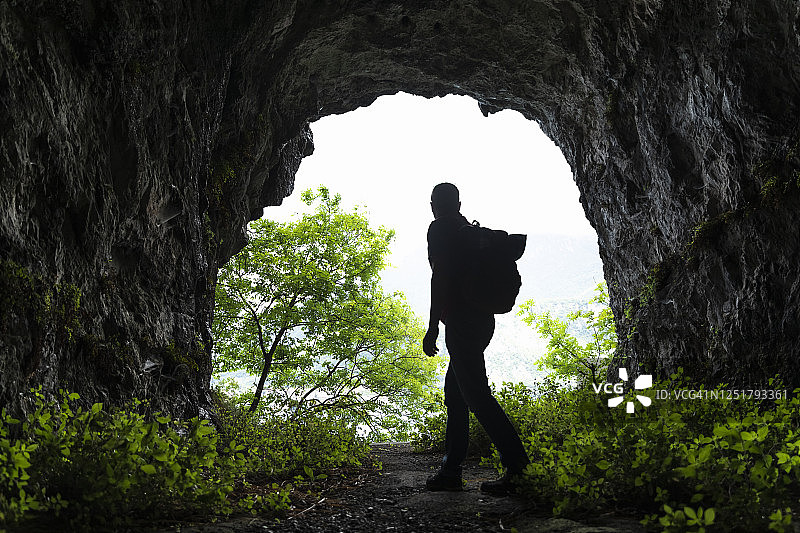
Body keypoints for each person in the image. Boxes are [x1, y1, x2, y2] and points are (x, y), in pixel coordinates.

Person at [422, 182, 529, 495]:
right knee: (456, 395)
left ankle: (519, 467)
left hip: (462, 322)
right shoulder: (469, 230)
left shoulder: (440, 229)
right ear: (458, 203)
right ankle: (450, 471)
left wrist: (433, 326)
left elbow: (438, 276)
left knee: (476, 395)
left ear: (433, 204)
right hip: (482, 320)